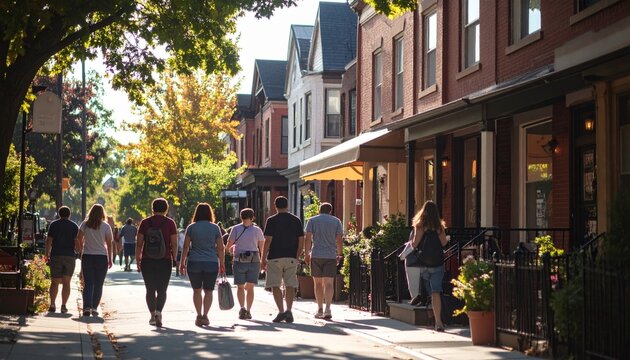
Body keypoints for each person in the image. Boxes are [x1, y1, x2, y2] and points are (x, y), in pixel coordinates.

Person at [179, 203, 225, 326]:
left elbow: (185, 247)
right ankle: (205, 315)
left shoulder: (191, 227)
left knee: (197, 290)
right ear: (210, 213)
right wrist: (222, 264)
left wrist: (182, 263)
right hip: (211, 263)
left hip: (194, 262)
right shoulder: (215, 228)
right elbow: (221, 248)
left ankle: (198, 316)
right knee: (209, 291)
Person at [261, 196, 304, 323]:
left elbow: (268, 240)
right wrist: (297, 254)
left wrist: (263, 258)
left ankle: (281, 311)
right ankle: (289, 310)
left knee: (275, 285)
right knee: (290, 284)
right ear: (287, 205)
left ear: (275, 206)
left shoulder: (271, 220)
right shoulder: (296, 220)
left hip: (275, 257)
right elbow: (301, 240)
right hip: (291, 256)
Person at [136, 198, 178, 327]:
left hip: (147, 260)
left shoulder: (145, 223)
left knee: (150, 289)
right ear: (166, 209)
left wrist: (138, 258)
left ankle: (152, 314)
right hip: (165, 260)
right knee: (162, 289)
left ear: (152, 208)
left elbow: (139, 244)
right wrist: (175, 258)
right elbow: (174, 244)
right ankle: (159, 312)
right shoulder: (170, 223)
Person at [410, 200, 449, 332]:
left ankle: (433, 315)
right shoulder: (439, 227)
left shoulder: (420, 225)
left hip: (424, 263)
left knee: (429, 291)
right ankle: (438, 322)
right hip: (437, 263)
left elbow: (415, 244)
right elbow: (444, 243)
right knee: (436, 291)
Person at [304, 202, 343, 320]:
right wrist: (339, 254)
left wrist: (306, 253)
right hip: (330, 255)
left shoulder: (312, 220)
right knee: (329, 283)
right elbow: (339, 240)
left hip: (316, 254)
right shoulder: (336, 221)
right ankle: (328, 309)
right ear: (330, 210)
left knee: (318, 284)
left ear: (319, 210)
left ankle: (320, 308)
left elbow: (308, 238)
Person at [225, 208, 264, 320]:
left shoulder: (235, 229)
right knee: (250, 287)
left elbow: (229, 244)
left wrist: (228, 251)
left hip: (239, 260)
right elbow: (261, 246)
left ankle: (242, 308)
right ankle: (248, 310)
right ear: (252, 217)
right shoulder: (257, 230)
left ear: (241, 217)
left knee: (240, 287)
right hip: (254, 260)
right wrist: (262, 260)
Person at [77, 204, 114, 317]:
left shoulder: (85, 224)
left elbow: (78, 238)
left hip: (88, 256)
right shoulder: (106, 226)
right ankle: (94, 307)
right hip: (101, 257)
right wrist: (110, 258)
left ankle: (86, 307)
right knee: (99, 284)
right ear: (103, 214)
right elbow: (109, 243)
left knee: (88, 283)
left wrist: (80, 250)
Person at [45, 206, 79, 313]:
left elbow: (49, 240)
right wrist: (78, 252)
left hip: (56, 255)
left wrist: (47, 254)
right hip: (69, 256)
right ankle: (63, 305)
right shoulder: (74, 226)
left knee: (54, 282)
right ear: (69, 214)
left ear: (59, 214)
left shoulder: (53, 225)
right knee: (66, 282)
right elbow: (76, 242)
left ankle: (52, 304)